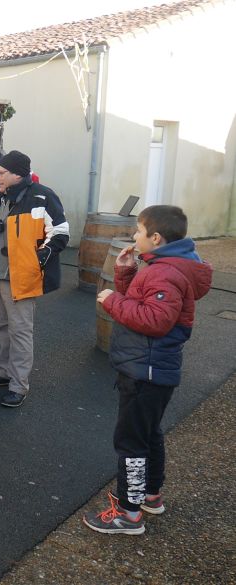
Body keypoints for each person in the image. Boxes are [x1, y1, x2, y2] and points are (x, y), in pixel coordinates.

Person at [82, 205, 212, 535]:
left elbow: (155, 320)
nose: (134, 236)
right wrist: (126, 274)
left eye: (139, 231)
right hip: (150, 369)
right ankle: (150, 496)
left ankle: (129, 512)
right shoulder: (163, 265)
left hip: (145, 370)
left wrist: (111, 299)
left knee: (131, 442)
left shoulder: (164, 272)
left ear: (156, 237)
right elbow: (144, 304)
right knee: (148, 433)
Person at [0, 150, 69, 407]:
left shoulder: (42, 196)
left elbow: (61, 232)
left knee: (21, 332)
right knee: (3, 327)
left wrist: (38, 259)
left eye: (1, 173)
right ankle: (4, 372)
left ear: (17, 174)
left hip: (20, 278)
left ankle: (18, 386)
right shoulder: (0, 196)